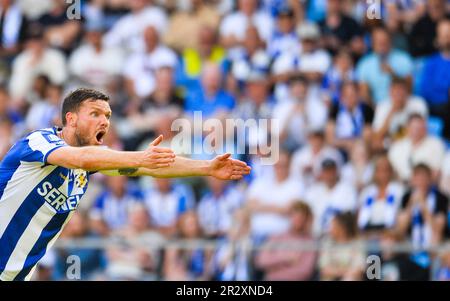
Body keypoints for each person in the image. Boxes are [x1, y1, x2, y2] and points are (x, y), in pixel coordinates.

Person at [0, 88, 251, 281]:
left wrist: (206, 167)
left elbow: (150, 167)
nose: (104, 122)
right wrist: (141, 156)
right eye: (95, 114)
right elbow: (82, 158)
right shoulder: (38, 141)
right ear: (71, 119)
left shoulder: (89, 164)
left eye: (107, 116)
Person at [255, 201, 317, 281]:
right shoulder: (276, 237)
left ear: (306, 219)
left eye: (301, 217)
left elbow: (305, 271)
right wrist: (286, 258)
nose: (297, 220)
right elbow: (261, 261)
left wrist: (274, 268)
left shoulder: (310, 242)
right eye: (294, 216)